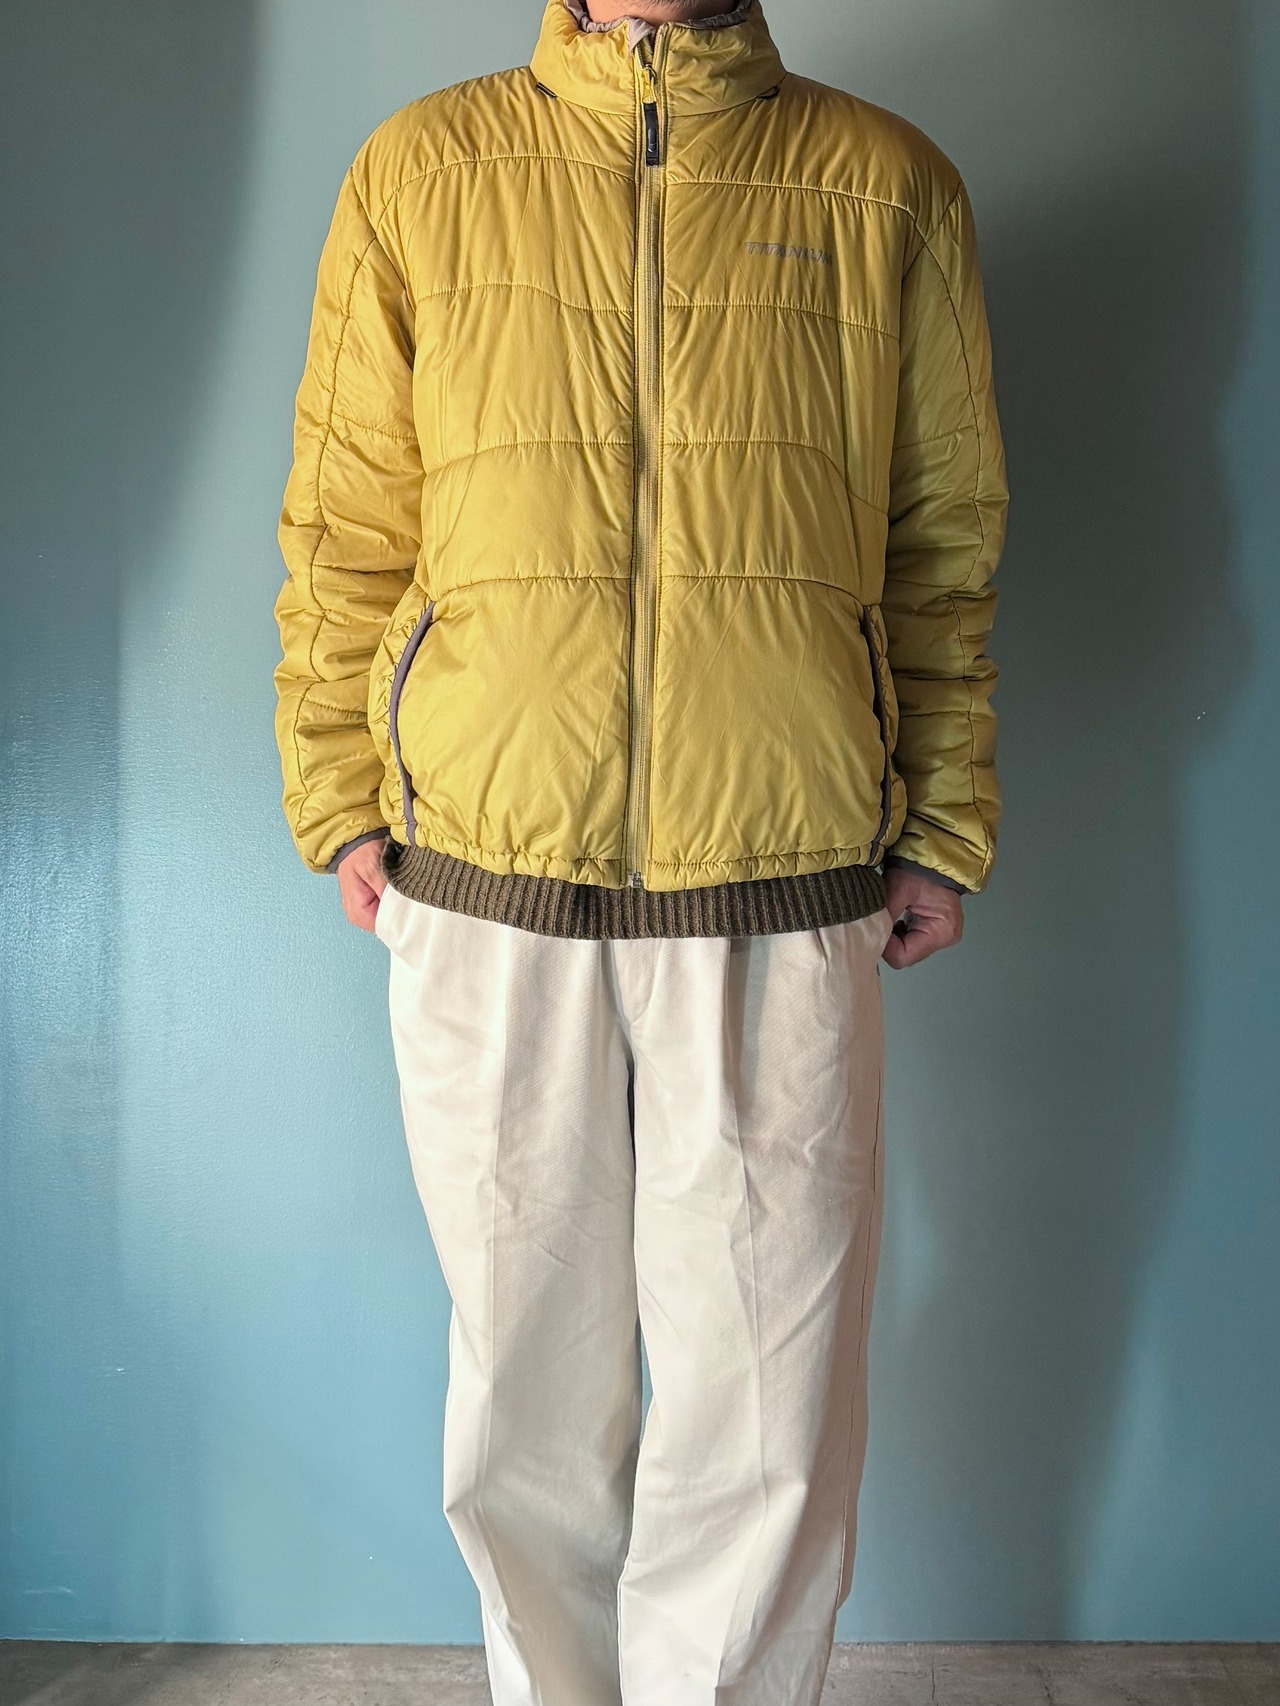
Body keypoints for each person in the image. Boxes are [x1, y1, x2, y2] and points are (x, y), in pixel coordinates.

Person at [272, 0, 1008, 1700]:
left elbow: (943, 540)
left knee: (768, 1404)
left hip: (783, 873)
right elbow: (346, 517)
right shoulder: (422, 171)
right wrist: (339, 789)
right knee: (522, 1395)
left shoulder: (886, 184)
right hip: (486, 873)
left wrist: (943, 815)